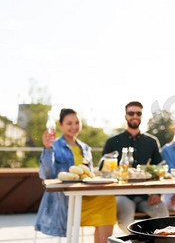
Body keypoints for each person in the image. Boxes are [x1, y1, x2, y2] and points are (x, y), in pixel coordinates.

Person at [35, 108, 116, 243]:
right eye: (69, 123)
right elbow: (46, 174)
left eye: (77, 122)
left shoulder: (85, 148)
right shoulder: (53, 145)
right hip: (65, 201)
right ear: (60, 125)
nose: (74, 127)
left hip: (86, 196)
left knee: (108, 200)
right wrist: (48, 149)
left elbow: (88, 175)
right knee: (105, 203)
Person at [102, 101, 168, 232]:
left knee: (163, 214)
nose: (135, 116)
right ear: (126, 116)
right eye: (131, 113)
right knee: (126, 221)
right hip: (122, 195)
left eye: (138, 113)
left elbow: (159, 170)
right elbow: (104, 171)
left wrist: (158, 193)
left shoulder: (152, 142)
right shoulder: (112, 141)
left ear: (142, 116)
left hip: (147, 195)